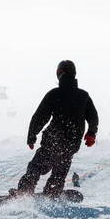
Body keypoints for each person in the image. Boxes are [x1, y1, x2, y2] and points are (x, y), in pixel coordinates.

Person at [11, 60, 98, 198]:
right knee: (60, 169)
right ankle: (53, 191)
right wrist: (91, 133)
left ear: (59, 74)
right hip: (71, 143)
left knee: (36, 166)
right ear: (74, 74)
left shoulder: (54, 94)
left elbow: (40, 117)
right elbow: (93, 117)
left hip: (54, 141)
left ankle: (24, 191)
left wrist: (32, 135)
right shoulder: (83, 96)